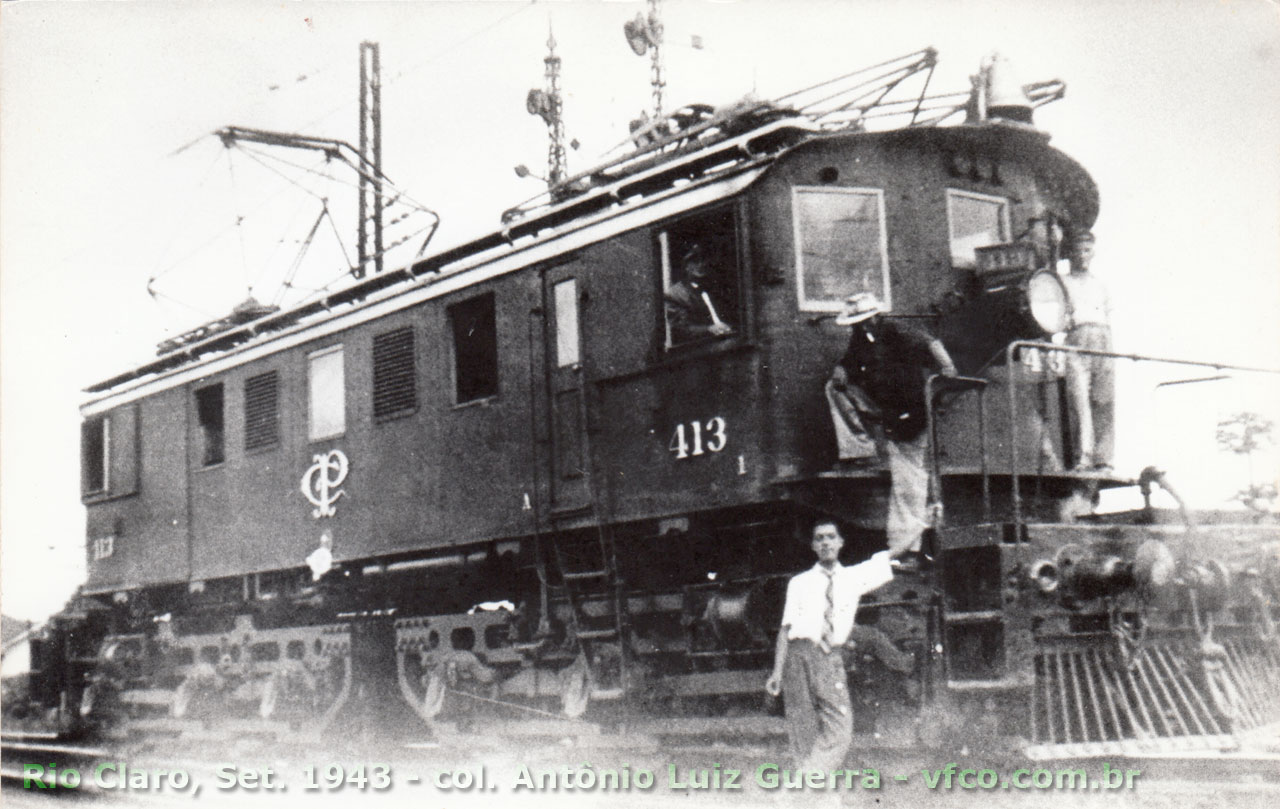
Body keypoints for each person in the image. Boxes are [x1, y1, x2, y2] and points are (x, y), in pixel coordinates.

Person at [764, 520, 910, 773]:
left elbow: (892, 554)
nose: (825, 542)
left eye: (831, 537)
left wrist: (921, 522)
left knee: (840, 731)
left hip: (829, 656)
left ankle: (801, 790)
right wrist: (777, 673)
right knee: (804, 736)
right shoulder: (798, 582)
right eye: (819, 538)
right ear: (813, 545)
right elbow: (785, 630)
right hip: (797, 657)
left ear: (840, 542)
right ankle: (819, 798)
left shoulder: (854, 577)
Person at [826, 292, 957, 555]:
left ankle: (907, 548)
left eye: (861, 321)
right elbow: (851, 359)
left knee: (908, 484)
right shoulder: (862, 337)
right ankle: (861, 449)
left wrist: (947, 366)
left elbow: (929, 342)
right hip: (888, 413)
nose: (858, 326)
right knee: (833, 388)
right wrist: (841, 370)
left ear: (873, 318)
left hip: (911, 414)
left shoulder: (897, 331)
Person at [1060, 230, 1114, 471]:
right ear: (1070, 253)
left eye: (1087, 250)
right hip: (1077, 337)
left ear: (1093, 252)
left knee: (1104, 398)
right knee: (1079, 398)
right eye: (1078, 250)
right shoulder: (1062, 282)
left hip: (1102, 336)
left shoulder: (1100, 284)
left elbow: (1107, 313)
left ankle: (1104, 458)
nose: (1082, 255)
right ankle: (1084, 456)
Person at [664, 243, 733, 344]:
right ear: (686, 266)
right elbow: (682, 329)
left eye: (703, 260)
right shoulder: (676, 294)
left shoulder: (715, 288)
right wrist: (709, 329)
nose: (701, 265)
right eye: (695, 261)